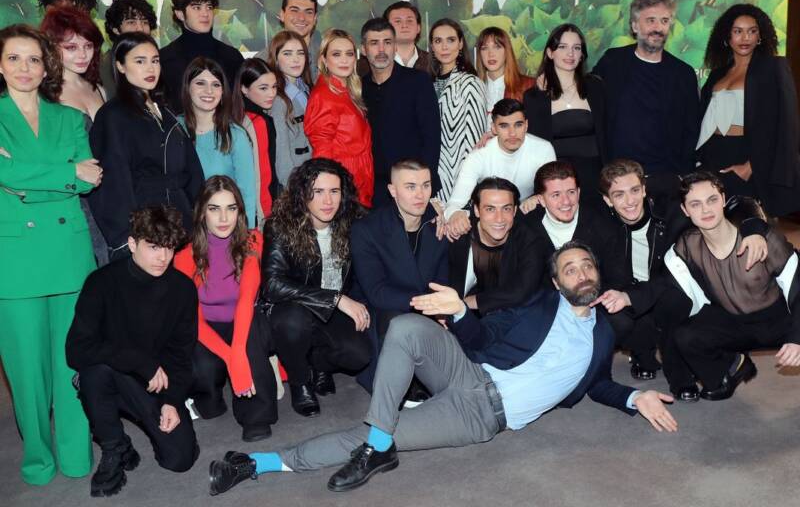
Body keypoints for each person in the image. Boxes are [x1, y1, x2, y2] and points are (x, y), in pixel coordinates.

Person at [207, 241, 677, 496]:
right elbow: (481, 338)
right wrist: (459, 312)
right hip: (469, 372)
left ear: (597, 273)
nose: (581, 273)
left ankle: (254, 464)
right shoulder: (536, 306)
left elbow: (597, 384)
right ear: (557, 281)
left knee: (365, 433)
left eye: (586, 266)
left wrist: (636, 396)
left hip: (479, 417)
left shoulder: (603, 335)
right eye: (570, 268)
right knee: (405, 326)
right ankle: (379, 445)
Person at [0, 24, 100, 486]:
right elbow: (12, 174)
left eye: (34, 59)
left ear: (46, 68)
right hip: (15, 259)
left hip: (69, 254)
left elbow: (89, 180)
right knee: (26, 372)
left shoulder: (68, 118)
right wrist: (63, 172)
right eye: (14, 58)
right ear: (0, 65)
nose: (25, 67)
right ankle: (37, 457)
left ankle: (77, 453)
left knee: (72, 362)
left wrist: (22, 177)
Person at [597, 159, 767, 394]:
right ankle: (642, 355)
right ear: (607, 200)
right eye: (619, 195)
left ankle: (684, 373)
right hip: (630, 293)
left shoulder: (674, 210)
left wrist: (754, 230)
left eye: (635, 190)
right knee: (617, 318)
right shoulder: (600, 223)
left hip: (671, 287)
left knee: (674, 303)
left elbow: (739, 201)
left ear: (644, 189)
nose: (630, 201)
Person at [66, 205, 199, 497]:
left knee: (180, 459)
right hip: (113, 377)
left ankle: (146, 426)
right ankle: (114, 446)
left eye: (168, 248)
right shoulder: (102, 282)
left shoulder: (182, 289)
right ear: (132, 244)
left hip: (157, 384)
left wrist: (172, 401)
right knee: (94, 371)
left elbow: (181, 354)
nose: (162, 257)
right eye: (153, 247)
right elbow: (76, 349)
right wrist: (139, 361)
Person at [667, 171, 800, 400]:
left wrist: (797, 337)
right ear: (685, 210)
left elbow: (798, 288)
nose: (706, 210)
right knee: (685, 335)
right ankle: (734, 366)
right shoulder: (687, 244)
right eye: (695, 204)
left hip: (780, 321)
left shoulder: (763, 238)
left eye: (712, 200)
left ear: (723, 199)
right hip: (734, 323)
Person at [262, 158, 371, 417]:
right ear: (303, 194)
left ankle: (319, 365)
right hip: (294, 309)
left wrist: (437, 214)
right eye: (318, 191)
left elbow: (389, 222)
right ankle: (300, 381)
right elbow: (272, 284)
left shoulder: (354, 220)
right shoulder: (280, 225)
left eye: (334, 191)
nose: (328, 201)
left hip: (332, 312)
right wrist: (336, 299)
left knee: (359, 355)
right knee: (292, 323)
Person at [174, 176, 277, 441]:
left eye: (231, 208)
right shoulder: (185, 256)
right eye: (214, 208)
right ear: (202, 213)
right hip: (206, 326)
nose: (223, 218)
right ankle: (210, 397)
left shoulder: (253, 240)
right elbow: (193, 320)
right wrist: (231, 359)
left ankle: (256, 415)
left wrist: (239, 353)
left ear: (239, 212)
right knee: (203, 370)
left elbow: (246, 299)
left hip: (246, 319)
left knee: (250, 342)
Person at [89, 32, 204, 261]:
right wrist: (126, 238)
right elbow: (113, 181)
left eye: (155, 60)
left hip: (181, 225)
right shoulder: (113, 115)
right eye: (140, 61)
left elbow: (192, 170)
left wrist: (199, 215)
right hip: (144, 229)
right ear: (120, 66)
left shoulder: (165, 110)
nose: (150, 68)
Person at [350, 158, 449, 390]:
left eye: (426, 185)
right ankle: (399, 387)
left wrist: (441, 309)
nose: (420, 195)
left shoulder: (437, 225)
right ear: (393, 190)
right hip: (383, 312)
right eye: (410, 187)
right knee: (395, 320)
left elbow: (441, 280)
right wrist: (428, 304)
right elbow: (377, 292)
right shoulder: (367, 230)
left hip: (426, 306)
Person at [593, 0, 700, 199]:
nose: (658, 28)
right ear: (635, 26)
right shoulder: (612, 62)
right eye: (651, 20)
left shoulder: (683, 74)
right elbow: (584, 92)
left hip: (666, 179)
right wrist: (550, 77)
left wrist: (681, 176)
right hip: (619, 178)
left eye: (664, 21)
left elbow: (691, 130)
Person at [698, 3, 800, 216]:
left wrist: (750, 166)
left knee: (747, 223)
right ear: (727, 36)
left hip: (748, 157)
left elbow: (785, 124)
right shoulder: (717, 74)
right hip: (713, 157)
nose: (745, 38)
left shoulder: (773, 68)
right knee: (711, 221)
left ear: (760, 36)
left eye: (752, 31)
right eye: (738, 31)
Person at [40, 6, 109, 265]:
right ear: (52, 47)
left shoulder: (98, 88)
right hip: (71, 200)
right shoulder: (45, 96)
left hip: (108, 196)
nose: (82, 54)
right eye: (71, 47)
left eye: (88, 46)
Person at [359, 18, 441, 206]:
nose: (381, 50)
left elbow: (432, 138)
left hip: (414, 187)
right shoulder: (359, 88)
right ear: (363, 49)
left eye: (387, 42)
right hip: (374, 192)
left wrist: (423, 185)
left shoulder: (418, 82)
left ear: (395, 47)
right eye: (374, 43)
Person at [443, 99, 555, 234]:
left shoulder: (543, 150)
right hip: (491, 218)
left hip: (529, 216)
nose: (512, 133)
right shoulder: (479, 156)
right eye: (504, 126)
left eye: (518, 125)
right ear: (493, 128)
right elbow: (454, 203)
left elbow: (555, 193)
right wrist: (455, 214)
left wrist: (539, 197)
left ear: (526, 125)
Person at [524, 24, 607, 205]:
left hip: (596, 180)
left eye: (576, 48)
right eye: (562, 47)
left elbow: (609, 134)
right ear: (550, 53)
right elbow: (531, 145)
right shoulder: (534, 97)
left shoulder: (596, 88)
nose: (570, 53)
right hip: (556, 184)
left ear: (582, 55)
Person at [447, 177, 549, 316]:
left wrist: (464, 304)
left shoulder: (530, 240)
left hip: (510, 317)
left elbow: (522, 291)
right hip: (458, 318)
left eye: (506, 209)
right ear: (476, 210)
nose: (499, 218)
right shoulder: (458, 234)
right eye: (490, 209)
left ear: (514, 211)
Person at [178, 57, 257, 227]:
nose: (209, 91)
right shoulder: (174, 129)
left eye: (216, 84)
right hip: (183, 229)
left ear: (223, 92)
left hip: (225, 228)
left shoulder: (235, 135)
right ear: (187, 88)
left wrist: (248, 235)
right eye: (200, 83)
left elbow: (247, 194)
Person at [521, 160, 622, 290]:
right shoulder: (527, 229)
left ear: (578, 193)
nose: (566, 201)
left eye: (571, 192)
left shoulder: (603, 226)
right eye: (556, 195)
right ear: (541, 200)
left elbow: (617, 282)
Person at [305, 29, 374, 207]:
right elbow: (322, 150)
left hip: (357, 180)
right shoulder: (324, 95)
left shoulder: (347, 90)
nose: (344, 60)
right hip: (343, 184)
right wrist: (329, 191)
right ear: (324, 60)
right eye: (336, 54)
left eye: (349, 54)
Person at [160, 0, 244, 112]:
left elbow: (242, 102)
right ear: (180, 14)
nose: (205, 14)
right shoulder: (165, 58)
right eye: (197, 7)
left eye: (209, 7)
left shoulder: (232, 56)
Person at [428, 18, 486, 201]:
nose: (444, 47)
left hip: (459, 177)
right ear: (432, 47)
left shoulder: (471, 83)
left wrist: (464, 188)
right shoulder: (426, 83)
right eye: (438, 41)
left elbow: (474, 142)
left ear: (460, 44)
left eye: (451, 40)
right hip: (430, 175)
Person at [232, 58, 279, 223]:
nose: (271, 93)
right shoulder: (257, 122)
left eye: (274, 87)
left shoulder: (233, 115)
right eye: (263, 88)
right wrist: (263, 219)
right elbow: (262, 177)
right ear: (244, 89)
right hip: (257, 214)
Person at [265, 31, 313, 185]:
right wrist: (293, 186)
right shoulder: (278, 100)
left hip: (313, 174)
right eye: (287, 53)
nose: (296, 59)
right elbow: (281, 154)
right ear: (276, 59)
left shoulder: (307, 89)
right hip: (295, 182)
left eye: (300, 53)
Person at [257, 0, 320, 81]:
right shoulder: (263, 61)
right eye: (294, 10)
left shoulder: (326, 58)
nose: (301, 18)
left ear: (315, 19)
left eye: (308, 12)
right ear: (282, 15)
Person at [356, 1, 432, 76]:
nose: (404, 25)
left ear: (418, 28)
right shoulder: (362, 66)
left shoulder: (433, 62)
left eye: (409, 21)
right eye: (398, 21)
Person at [101, 0, 158, 95]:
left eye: (145, 22)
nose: (140, 28)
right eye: (131, 22)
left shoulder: (156, 58)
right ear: (115, 29)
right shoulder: (107, 65)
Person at [476, 26, 534, 122]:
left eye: (497, 47)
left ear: (507, 51)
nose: (490, 54)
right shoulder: (473, 88)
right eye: (484, 48)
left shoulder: (528, 86)